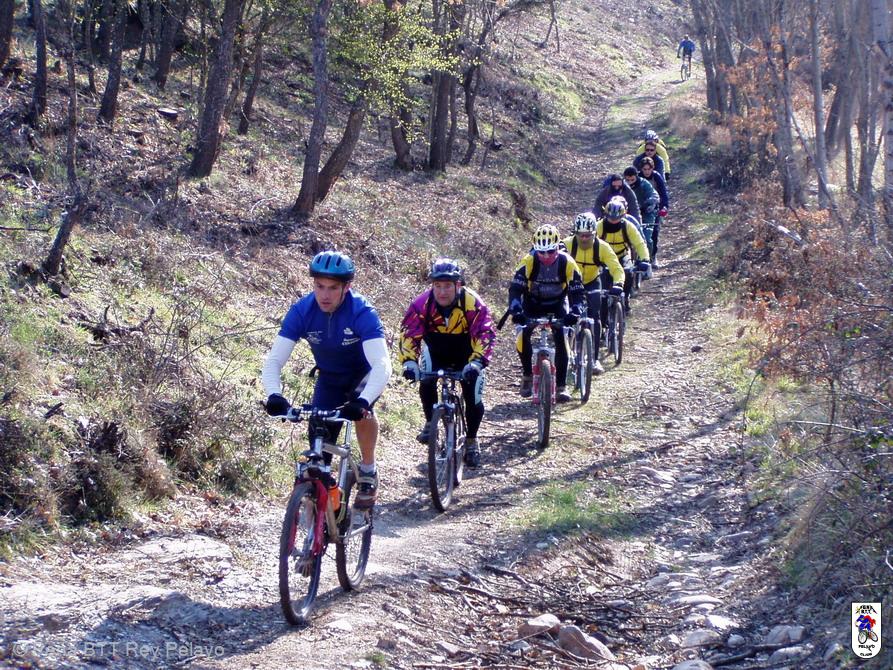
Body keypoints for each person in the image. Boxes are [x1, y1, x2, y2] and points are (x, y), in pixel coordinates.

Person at [262, 251, 392, 509]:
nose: (325, 295)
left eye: (333, 288)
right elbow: (274, 360)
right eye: (319, 286)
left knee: (362, 412)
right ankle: (321, 513)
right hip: (329, 378)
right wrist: (274, 395)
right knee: (317, 455)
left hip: (362, 375)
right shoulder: (302, 311)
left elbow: (382, 364)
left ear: (347, 287)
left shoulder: (361, 312)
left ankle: (368, 469)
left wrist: (363, 401)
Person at [399, 258, 496, 468]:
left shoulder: (472, 303)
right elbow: (409, 333)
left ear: (458, 285)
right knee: (426, 381)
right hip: (436, 352)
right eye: (437, 286)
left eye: (447, 286)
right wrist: (409, 362)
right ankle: (430, 422)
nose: (442, 292)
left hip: (467, 356)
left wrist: (477, 362)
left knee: (473, 398)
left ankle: (472, 440)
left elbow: (485, 333)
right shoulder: (422, 304)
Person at [508, 224, 585, 403]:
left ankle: (561, 386)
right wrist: (516, 309)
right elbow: (515, 289)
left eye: (550, 251)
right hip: (532, 303)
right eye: (541, 252)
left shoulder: (567, 262)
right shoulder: (528, 261)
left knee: (561, 337)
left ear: (557, 247)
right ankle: (527, 374)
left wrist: (575, 311)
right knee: (522, 334)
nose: (545, 256)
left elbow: (577, 292)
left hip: (557, 304)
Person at [563, 212, 626, 373]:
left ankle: (594, 359)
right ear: (575, 233)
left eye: (588, 235)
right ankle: (565, 352)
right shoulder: (567, 244)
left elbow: (617, 268)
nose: (584, 239)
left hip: (592, 282)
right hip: (571, 283)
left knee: (595, 318)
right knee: (566, 317)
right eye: (580, 235)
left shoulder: (602, 247)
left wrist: (618, 284)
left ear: (594, 233)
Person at [596, 197, 651, 313]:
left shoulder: (628, 226)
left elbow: (639, 243)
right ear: (605, 215)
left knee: (629, 272)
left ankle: (626, 297)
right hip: (605, 258)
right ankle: (603, 313)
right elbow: (591, 243)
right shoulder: (599, 226)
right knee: (603, 286)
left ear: (623, 216)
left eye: (616, 218)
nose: (613, 221)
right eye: (610, 218)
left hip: (622, 255)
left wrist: (645, 259)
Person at [638, 156, 669, 267]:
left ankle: (653, 256)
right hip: (639, 208)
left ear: (652, 168)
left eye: (649, 169)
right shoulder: (637, 178)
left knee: (654, 232)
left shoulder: (656, 177)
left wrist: (664, 207)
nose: (647, 171)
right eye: (644, 169)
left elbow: (663, 194)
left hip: (655, 209)